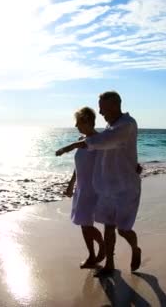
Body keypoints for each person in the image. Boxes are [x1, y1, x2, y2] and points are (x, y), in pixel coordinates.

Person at [56, 91, 141, 276]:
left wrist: (71, 146)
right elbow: (103, 149)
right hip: (107, 187)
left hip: (125, 186)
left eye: (102, 107)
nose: (100, 112)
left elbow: (103, 142)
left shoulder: (127, 125)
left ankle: (135, 249)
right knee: (108, 227)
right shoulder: (110, 128)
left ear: (113, 105)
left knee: (124, 230)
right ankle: (109, 264)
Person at [64, 107, 105, 268]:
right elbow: (78, 166)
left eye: (78, 122)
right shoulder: (82, 139)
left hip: (93, 188)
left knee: (86, 223)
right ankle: (93, 255)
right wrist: (71, 184)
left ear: (88, 121)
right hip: (81, 187)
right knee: (84, 223)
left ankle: (100, 248)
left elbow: (110, 161)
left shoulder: (99, 140)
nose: (76, 125)